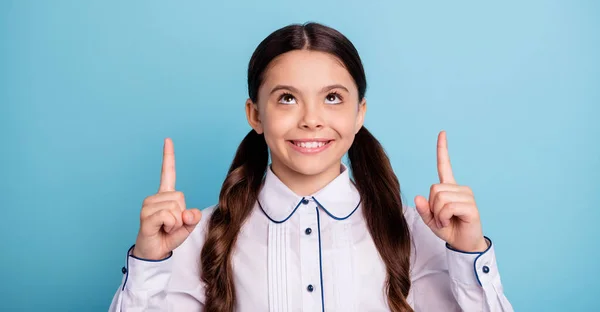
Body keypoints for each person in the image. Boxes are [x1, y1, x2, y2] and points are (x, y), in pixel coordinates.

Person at [108, 22, 514, 312]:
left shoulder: (410, 234)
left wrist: (468, 253)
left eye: (333, 98)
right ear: (255, 114)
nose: (311, 119)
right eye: (287, 98)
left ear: (360, 114)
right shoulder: (198, 237)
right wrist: (149, 263)